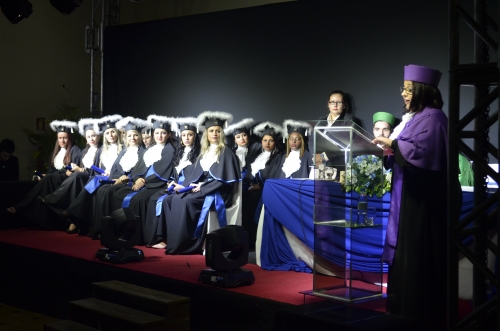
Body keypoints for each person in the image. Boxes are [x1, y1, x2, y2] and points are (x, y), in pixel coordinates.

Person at [372, 64, 449, 329]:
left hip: (422, 204)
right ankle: (399, 309)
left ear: (422, 91)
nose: (403, 94)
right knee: (403, 255)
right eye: (403, 89)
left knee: (416, 255)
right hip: (406, 197)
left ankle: (417, 314)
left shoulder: (434, 118)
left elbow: (422, 154)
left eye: (408, 89)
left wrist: (392, 144)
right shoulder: (415, 118)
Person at [161, 111, 241, 255]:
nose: (214, 134)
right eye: (211, 131)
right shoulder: (204, 151)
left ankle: (190, 243)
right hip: (203, 188)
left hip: (217, 192)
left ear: (221, 133)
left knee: (186, 202)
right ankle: (175, 242)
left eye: (218, 131)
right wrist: (186, 186)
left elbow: (223, 181)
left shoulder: (226, 152)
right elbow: (196, 174)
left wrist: (202, 187)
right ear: (207, 134)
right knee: (172, 199)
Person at [109, 114, 176, 243]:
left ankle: (137, 237)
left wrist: (145, 181)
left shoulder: (170, 150)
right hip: (143, 182)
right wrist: (138, 179)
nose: (160, 136)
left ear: (168, 135)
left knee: (139, 199)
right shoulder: (150, 149)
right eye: (157, 133)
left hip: (158, 184)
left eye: (163, 133)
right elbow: (139, 168)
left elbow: (163, 171)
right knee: (119, 194)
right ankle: (121, 231)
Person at [6, 120, 81, 229]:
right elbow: (51, 171)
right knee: (41, 180)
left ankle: (21, 206)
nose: (62, 141)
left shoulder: (75, 150)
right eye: (60, 138)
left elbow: (73, 171)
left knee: (48, 179)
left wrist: (54, 174)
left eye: (65, 138)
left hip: (66, 182)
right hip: (53, 179)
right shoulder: (55, 152)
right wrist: (45, 175)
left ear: (69, 137)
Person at [143, 117, 201, 248]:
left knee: (165, 200)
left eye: (190, 135)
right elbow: (174, 174)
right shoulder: (180, 152)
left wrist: (183, 186)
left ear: (195, 137)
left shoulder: (199, 154)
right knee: (153, 199)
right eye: (184, 135)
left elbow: (197, 175)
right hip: (175, 185)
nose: (186, 138)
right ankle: (154, 238)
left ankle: (165, 238)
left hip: (187, 188)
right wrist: (171, 182)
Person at [42, 117, 102, 233]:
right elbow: (79, 166)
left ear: (99, 136)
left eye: (94, 136)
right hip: (81, 176)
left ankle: (52, 199)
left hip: (92, 178)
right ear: (85, 137)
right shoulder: (84, 151)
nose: (91, 139)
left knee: (76, 177)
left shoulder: (101, 150)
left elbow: (96, 170)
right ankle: (71, 219)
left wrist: (80, 170)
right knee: (72, 178)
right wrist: (78, 169)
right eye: (89, 136)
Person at [241, 121, 285, 247]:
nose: (267, 143)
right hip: (254, 188)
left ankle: (255, 240)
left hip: (267, 189)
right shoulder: (258, 155)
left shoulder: (279, 157)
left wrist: (260, 186)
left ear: (275, 142)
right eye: (265, 140)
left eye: (270, 140)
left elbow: (275, 177)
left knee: (252, 202)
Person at [224, 118, 261, 190]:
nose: (242, 139)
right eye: (238, 137)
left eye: (244, 135)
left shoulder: (257, 148)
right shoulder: (231, 153)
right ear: (235, 140)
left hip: (252, 184)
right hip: (235, 184)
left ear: (248, 136)